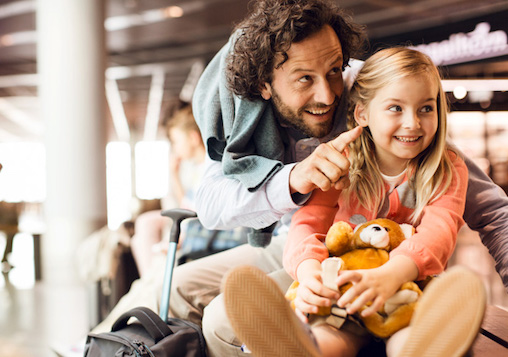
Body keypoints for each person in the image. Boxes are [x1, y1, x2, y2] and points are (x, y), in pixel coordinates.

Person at [167, 0, 508, 356]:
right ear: (264, 85)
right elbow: (302, 221)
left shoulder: (434, 155)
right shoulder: (336, 157)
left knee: (410, 339)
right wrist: (309, 265)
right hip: (333, 270)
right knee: (310, 333)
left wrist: (394, 272)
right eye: (304, 79)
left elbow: (467, 221)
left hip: (406, 282)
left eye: (334, 71)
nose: (329, 95)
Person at [223, 47, 486, 357]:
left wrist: (393, 274)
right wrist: (309, 274)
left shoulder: (447, 167)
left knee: (408, 337)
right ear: (363, 114)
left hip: (406, 290)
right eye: (395, 108)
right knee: (327, 334)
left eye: (426, 108)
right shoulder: (342, 161)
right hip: (343, 289)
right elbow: (309, 223)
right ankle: (303, 347)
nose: (413, 122)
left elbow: (439, 232)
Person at [130, 105, 206, 277]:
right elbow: (187, 205)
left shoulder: (207, 171)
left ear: (193, 138)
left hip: (194, 236)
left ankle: (151, 285)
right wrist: (174, 174)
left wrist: (184, 240)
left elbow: (198, 215)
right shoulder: (196, 169)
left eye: (176, 141)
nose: (175, 148)